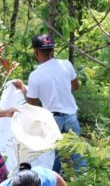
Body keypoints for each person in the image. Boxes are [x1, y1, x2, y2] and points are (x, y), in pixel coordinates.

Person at [13, 34, 86, 174]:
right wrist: (62, 92)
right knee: (77, 150)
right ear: (52, 50)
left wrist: (22, 87)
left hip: (52, 119)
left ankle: (54, 180)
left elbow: (31, 103)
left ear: (36, 52)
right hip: (71, 115)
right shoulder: (66, 64)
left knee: (52, 153)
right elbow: (76, 86)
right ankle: (84, 181)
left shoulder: (35, 75)